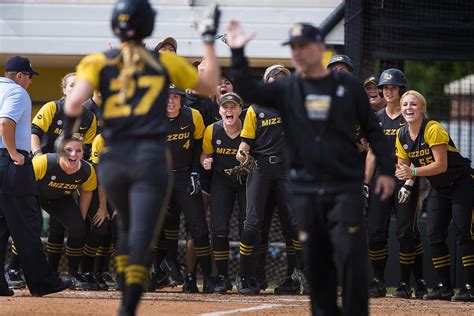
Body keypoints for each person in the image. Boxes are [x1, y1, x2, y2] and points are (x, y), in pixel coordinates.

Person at [225, 20, 394, 315]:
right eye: (293, 48)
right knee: (316, 261)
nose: (298, 53)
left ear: (319, 48)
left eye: (303, 46)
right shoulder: (288, 88)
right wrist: (238, 51)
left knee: (349, 252)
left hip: (343, 185)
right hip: (304, 187)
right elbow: (249, 88)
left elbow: (373, 131)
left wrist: (389, 172)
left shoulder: (348, 87)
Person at [64, 0, 220, 314]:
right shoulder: (164, 62)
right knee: (142, 234)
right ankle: (128, 307)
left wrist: (67, 137)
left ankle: (125, 295)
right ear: (148, 25)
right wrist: (207, 41)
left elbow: (72, 105)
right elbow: (210, 85)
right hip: (149, 156)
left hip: (113, 156)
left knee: (126, 226)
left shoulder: (97, 61)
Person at [0, 55, 71, 297]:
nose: (29, 82)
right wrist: (14, 154)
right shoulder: (17, 93)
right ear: (19, 76)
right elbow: (5, 123)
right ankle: (42, 282)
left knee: (1, 225)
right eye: (29, 77)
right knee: (28, 223)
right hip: (11, 163)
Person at [395, 90, 474, 302]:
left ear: (423, 109)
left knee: (463, 233)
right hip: (440, 188)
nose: (409, 108)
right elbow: (404, 166)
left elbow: (441, 164)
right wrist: (407, 183)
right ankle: (445, 288)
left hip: (461, 183)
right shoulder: (401, 134)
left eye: (413, 104)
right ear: (401, 110)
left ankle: (470, 287)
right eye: (405, 105)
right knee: (434, 235)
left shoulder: (433, 128)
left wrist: (411, 173)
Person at [236, 64, 307, 295]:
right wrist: (241, 152)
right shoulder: (254, 109)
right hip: (261, 168)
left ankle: (294, 278)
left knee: (294, 224)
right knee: (253, 222)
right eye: (274, 78)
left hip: (288, 169)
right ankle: (245, 276)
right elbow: (245, 141)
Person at [364, 69, 426, 299]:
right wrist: (365, 183)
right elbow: (371, 152)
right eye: (385, 88)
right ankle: (378, 281)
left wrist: (411, 180)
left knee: (405, 233)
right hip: (380, 180)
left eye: (394, 88)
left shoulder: (410, 114)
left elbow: (419, 150)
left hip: (405, 179)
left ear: (401, 90)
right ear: (381, 90)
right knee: (376, 233)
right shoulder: (375, 118)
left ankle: (405, 282)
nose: (389, 92)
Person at [150, 85, 214, 294]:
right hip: (159, 177)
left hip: (185, 175)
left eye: (176, 97)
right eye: (167, 97)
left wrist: (196, 173)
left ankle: (196, 276)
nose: (171, 101)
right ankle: (152, 273)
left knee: (198, 227)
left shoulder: (192, 116)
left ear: (182, 100)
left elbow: (198, 147)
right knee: (153, 226)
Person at [33, 134, 97, 289]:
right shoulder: (44, 162)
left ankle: (73, 274)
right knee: (30, 227)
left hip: (60, 199)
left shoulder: (87, 170)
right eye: (68, 150)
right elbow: (24, 187)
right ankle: (13, 270)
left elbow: (88, 191)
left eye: (78, 150)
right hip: (34, 196)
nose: (73, 154)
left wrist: (79, 217)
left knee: (78, 229)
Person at [201, 92, 247, 293]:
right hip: (222, 181)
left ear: (240, 109)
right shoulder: (212, 130)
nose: (229, 110)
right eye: (224, 107)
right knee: (219, 229)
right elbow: (205, 153)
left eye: (233, 107)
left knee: (249, 228)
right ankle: (222, 277)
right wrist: (205, 160)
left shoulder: (249, 128)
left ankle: (247, 276)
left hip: (246, 181)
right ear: (219, 111)